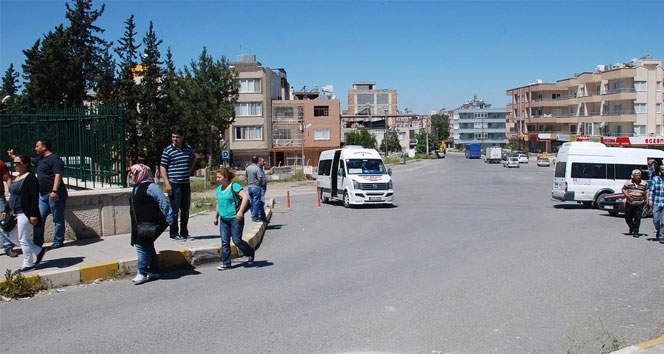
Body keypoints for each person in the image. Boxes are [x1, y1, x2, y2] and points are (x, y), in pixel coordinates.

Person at [8, 139, 68, 249]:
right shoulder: (40, 159)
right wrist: (13, 156)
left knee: (57, 218)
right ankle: (37, 243)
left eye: (37, 146)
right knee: (38, 218)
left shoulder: (55, 160)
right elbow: (25, 161)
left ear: (44, 147)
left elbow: (58, 175)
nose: (35, 148)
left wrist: (54, 191)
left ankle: (58, 241)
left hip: (55, 193)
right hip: (43, 194)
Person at [129, 164, 173, 285]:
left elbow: (163, 201)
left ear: (141, 173)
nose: (131, 175)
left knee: (141, 245)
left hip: (150, 222)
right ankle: (153, 271)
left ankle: (142, 272)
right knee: (147, 245)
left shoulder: (151, 186)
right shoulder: (137, 186)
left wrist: (169, 216)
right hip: (140, 223)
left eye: (133, 173)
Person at [2, 155, 46, 271]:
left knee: (23, 239)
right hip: (15, 213)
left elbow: (34, 198)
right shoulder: (17, 178)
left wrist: (33, 214)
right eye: (14, 163)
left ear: (25, 164)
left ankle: (28, 263)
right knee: (13, 237)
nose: (15, 165)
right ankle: (38, 250)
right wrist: (6, 210)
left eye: (18, 163)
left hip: (24, 213)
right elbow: (13, 196)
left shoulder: (31, 178)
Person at [159, 128, 199, 241]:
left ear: (182, 137)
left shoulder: (187, 149)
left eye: (177, 137)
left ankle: (184, 232)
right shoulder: (168, 150)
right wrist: (167, 183)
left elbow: (194, 157)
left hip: (185, 183)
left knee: (185, 209)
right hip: (174, 183)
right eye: (173, 137)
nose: (175, 139)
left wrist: (189, 170)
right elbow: (162, 167)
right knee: (174, 210)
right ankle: (174, 233)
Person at [214, 167, 255, 270]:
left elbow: (245, 197)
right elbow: (218, 203)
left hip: (235, 218)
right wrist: (216, 217)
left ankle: (250, 252)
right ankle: (226, 263)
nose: (217, 179)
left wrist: (240, 211)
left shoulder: (234, 186)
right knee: (224, 242)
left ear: (226, 177)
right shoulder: (219, 189)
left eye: (219, 177)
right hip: (224, 219)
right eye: (217, 177)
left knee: (236, 240)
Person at [623, 169, 648, 238]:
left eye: (639, 175)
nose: (638, 177)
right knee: (628, 217)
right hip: (630, 203)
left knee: (637, 218)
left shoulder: (644, 183)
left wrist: (647, 199)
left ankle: (636, 231)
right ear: (633, 176)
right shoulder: (628, 183)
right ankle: (632, 227)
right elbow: (623, 190)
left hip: (639, 203)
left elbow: (647, 191)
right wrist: (627, 196)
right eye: (636, 175)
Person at [0, 159, 17, 257]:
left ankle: (8, 247)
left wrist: (13, 193)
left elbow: (7, 178)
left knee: (3, 223)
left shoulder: (1, 163)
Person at [245, 156, 263, 222]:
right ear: (257, 161)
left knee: (251, 201)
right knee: (256, 202)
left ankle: (253, 214)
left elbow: (246, 178)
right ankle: (254, 216)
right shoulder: (257, 168)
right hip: (256, 187)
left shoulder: (248, 168)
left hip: (250, 186)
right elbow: (259, 178)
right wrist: (260, 184)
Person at [649, 164, 664, 243]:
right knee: (656, 220)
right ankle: (658, 230)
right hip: (657, 202)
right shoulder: (655, 179)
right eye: (662, 169)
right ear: (660, 171)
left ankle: (662, 236)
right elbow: (651, 191)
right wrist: (650, 200)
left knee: (663, 221)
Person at [258, 157, 268, 222]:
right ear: (259, 162)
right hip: (260, 187)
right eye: (263, 161)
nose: (264, 162)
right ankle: (261, 216)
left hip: (263, 187)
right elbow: (259, 178)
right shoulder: (258, 169)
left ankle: (262, 216)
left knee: (261, 201)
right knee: (261, 201)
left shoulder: (261, 168)